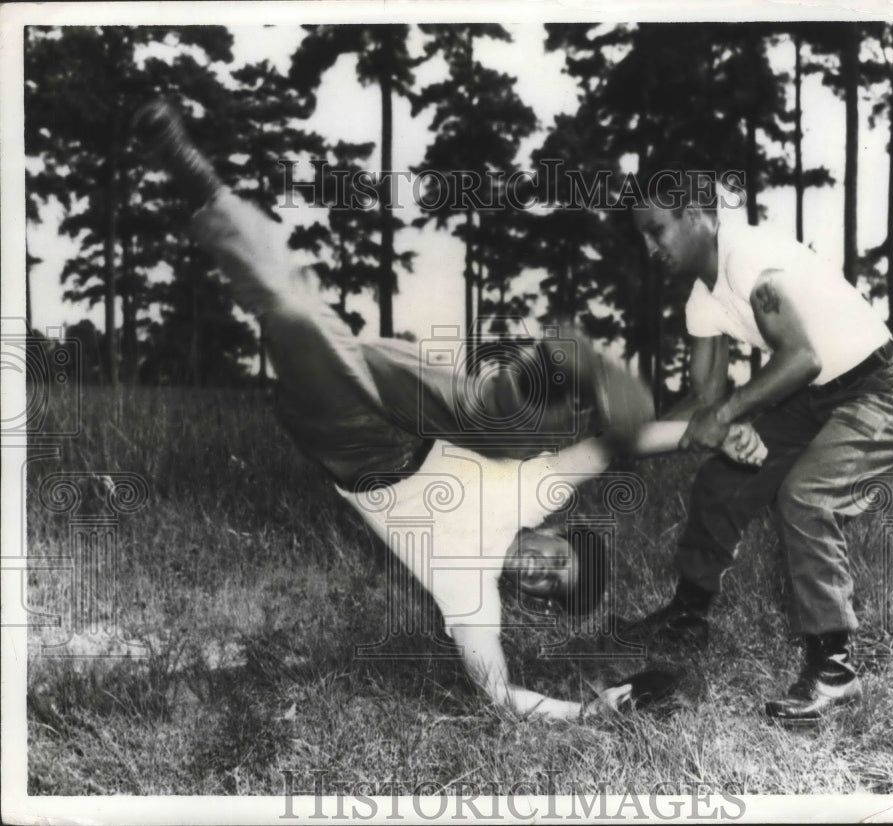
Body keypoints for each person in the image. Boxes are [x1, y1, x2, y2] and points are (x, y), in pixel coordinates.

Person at [133, 102, 767, 719]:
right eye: (558, 560)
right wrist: (710, 432)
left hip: (363, 447)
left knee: (293, 310)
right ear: (558, 533)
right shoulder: (532, 495)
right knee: (503, 421)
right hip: (423, 402)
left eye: (547, 585)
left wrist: (587, 711)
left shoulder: (470, 597)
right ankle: (556, 363)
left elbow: (499, 696)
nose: (542, 570)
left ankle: (204, 187)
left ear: (531, 599)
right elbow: (617, 446)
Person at [631, 175, 893, 723]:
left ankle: (834, 669)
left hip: (878, 387)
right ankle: (689, 616)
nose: (650, 250)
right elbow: (706, 403)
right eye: (643, 239)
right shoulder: (703, 300)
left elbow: (802, 358)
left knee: (807, 497)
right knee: (721, 480)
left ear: (695, 212)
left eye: (655, 231)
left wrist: (728, 415)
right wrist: (625, 444)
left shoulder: (750, 257)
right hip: (815, 398)